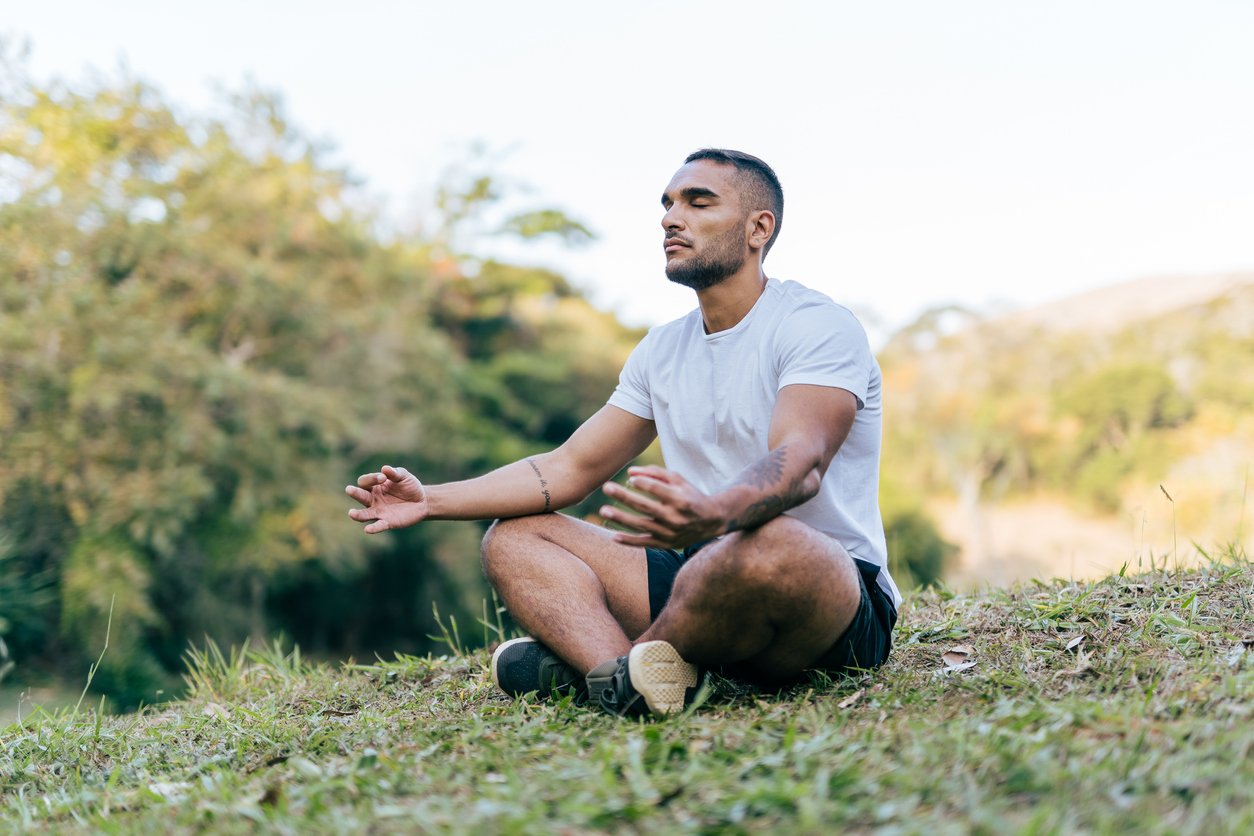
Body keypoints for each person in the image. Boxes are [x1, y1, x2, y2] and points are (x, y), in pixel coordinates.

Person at [346, 149, 901, 718]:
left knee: (768, 541)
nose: (670, 217)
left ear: (760, 228)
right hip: (698, 581)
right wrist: (431, 499)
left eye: (697, 201)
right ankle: (639, 683)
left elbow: (800, 460)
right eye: (667, 203)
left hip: (826, 594)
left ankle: (612, 669)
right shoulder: (663, 349)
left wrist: (717, 512)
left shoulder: (815, 325)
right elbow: (569, 468)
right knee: (514, 537)